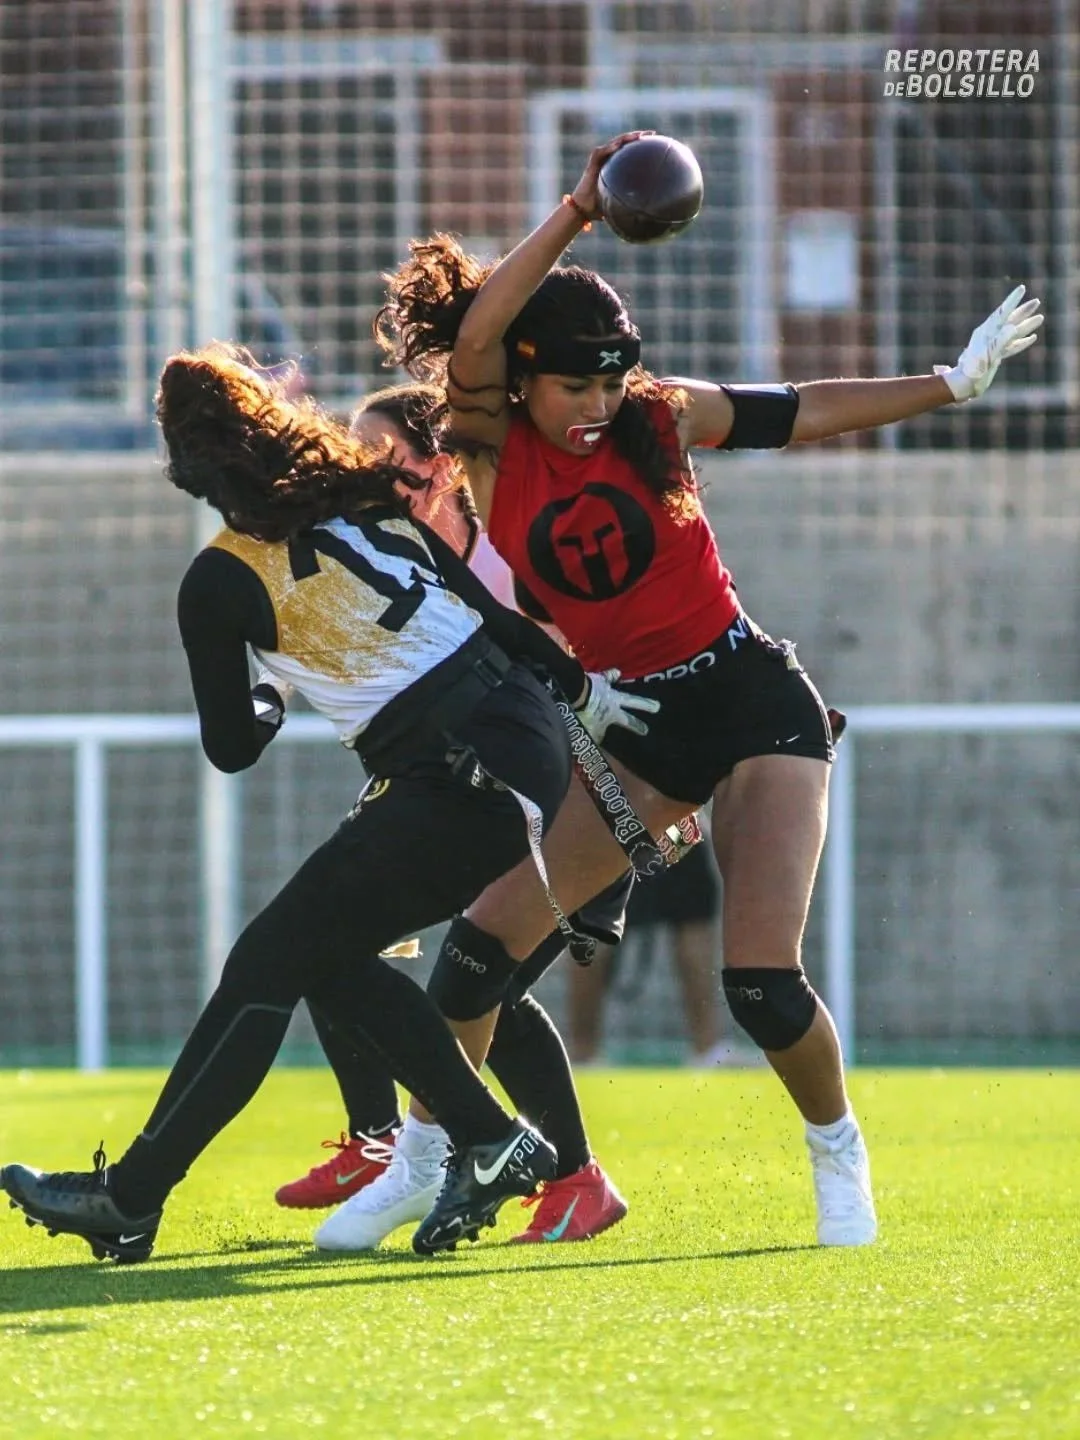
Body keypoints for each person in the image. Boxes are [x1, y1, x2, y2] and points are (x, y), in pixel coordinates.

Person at [372, 131, 1044, 1247]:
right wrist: (578, 209)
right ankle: (428, 1154)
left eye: (609, 379)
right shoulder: (492, 442)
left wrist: (948, 383)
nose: (596, 402)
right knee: (476, 955)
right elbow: (480, 330)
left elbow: (799, 408)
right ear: (522, 380)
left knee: (761, 984)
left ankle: (836, 1149)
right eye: (573, 383)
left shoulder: (658, 415)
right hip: (641, 725)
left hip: (751, 701)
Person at [0, 345, 655, 1262]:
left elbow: (232, 748)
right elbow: (498, 622)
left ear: (190, 471)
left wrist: (269, 696)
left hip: (452, 771)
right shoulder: (365, 500)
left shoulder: (220, 578)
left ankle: (133, 1198)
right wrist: (592, 703)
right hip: (524, 740)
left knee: (269, 961)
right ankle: (485, 1138)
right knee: (320, 956)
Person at [275, 382, 631, 1247]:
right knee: (336, 930)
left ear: (439, 467)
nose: (361, 470)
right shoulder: (388, 556)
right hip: (480, 797)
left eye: (380, 455)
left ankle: (567, 1176)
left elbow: (584, 673)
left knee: (475, 982)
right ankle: (381, 1141)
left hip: (582, 798)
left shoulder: (510, 552)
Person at [566, 837, 740, 1068]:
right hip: (667, 828)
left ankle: (583, 1053)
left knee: (597, 922)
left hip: (622, 827)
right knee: (597, 923)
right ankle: (708, 1050)